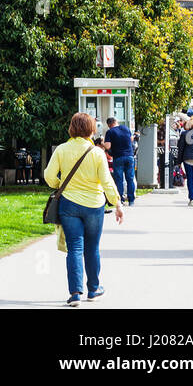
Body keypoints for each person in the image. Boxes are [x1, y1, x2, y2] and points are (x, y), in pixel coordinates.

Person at [45, 113, 124, 306]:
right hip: (94, 206)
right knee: (92, 248)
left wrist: (60, 184)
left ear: (71, 128)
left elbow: (48, 176)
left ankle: (75, 294)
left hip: (69, 204)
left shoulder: (62, 149)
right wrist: (117, 204)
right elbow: (106, 181)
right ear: (91, 129)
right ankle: (94, 289)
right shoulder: (97, 153)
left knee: (74, 248)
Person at [103, 117, 137, 206]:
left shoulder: (110, 132)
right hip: (129, 156)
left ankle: (121, 200)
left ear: (109, 125)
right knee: (130, 179)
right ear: (116, 122)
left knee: (119, 180)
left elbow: (107, 146)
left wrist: (102, 142)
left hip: (118, 157)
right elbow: (131, 139)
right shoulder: (126, 128)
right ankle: (131, 200)